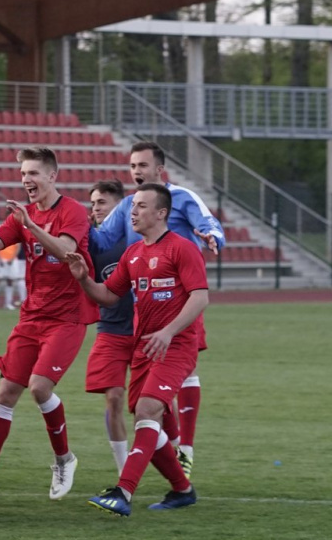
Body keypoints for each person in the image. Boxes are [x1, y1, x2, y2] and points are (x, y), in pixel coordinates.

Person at [0, 147, 96, 502]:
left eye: (34, 173)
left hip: (68, 317)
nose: (26, 179)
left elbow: (65, 252)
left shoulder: (72, 211)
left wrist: (31, 225)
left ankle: (64, 458)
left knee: (39, 387)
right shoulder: (25, 215)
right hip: (32, 315)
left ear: (52, 176)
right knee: (6, 394)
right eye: (23, 173)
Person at [68, 183, 206, 517]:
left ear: (161, 213)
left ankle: (123, 491)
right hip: (144, 348)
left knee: (147, 410)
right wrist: (84, 278)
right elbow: (108, 296)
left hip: (175, 346)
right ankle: (182, 489)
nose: (133, 211)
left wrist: (169, 332)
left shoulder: (182, 249)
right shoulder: (132, 255)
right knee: (146, 418)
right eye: (133, 206)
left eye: (142, 206)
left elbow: (199, 297)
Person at [91, 141, 225, 475]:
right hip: (143, 305)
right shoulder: (126, 206)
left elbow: (209, 223)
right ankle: (172, 450)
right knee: (148, 395)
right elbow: (101, 241)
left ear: (159, 170)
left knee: (184, 371)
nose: (136, 172)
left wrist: (212, 237)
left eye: (142, 166)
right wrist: (65, 231)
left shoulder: (180, 198)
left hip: (181, 302)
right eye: (132, 166)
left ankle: (186, 448)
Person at [84, 179, 135, 474]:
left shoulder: (135, 237)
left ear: (121, 206)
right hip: (111, 328)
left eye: (101, 202)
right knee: (113, 397)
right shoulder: (93, 241)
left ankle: (179, 451)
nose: (95, 208)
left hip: (146, 330)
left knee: (155, 404)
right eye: (92, 203)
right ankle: (123, 472)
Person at [0, 244, 21, 310]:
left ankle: (8, 303)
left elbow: (17, 248)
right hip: (0, 260)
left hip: (12, 260)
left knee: (10, 281)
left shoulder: (16, 235)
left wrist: (12, 259)